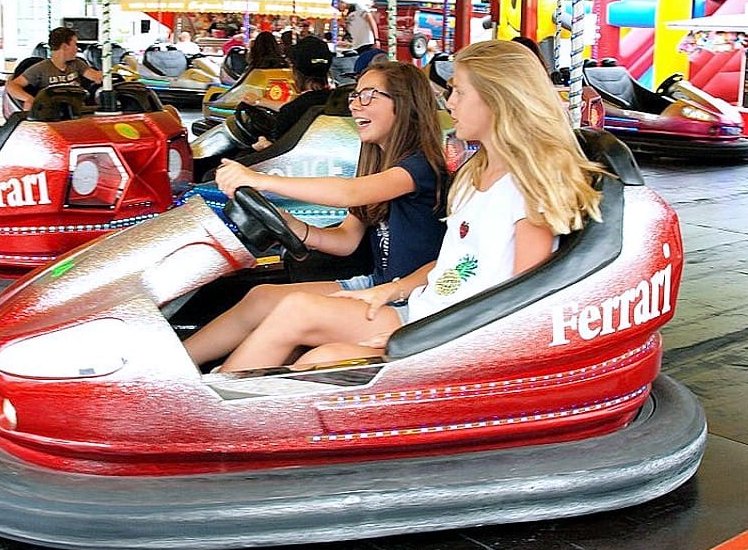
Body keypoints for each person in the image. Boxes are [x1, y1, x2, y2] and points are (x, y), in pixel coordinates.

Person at [196, 41, 605, 372]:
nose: (449, 102)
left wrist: (260, 179)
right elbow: (451, 264)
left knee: (307, 335)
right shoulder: (473, 176)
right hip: (423, 307)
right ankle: (194, 388)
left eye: (459, 91)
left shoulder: (525, 191)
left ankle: (206, 412)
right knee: (286, 312)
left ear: (497, 100)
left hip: (452, 333)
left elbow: (524, 302)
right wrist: (390, 290)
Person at [185, 60, 449, 372]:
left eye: (369, 96)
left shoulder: (421, 167)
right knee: (261, 297)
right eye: (355, 96)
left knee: (296, 310)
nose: (355, 105)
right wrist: (295, 227)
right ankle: (172, 367)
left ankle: (209, 390)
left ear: (405, 105)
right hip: (376, 284)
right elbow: (346, 241)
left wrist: (259, 180)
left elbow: (350, 193)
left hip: (410, 297)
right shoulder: (377, 164)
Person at [252, 35, 334, 148]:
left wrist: (263, 145)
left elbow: (279, 152)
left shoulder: (292, 111)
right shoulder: (338, 100)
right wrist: (259, 101)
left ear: (296, 72)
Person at [5, 25, 104, 111]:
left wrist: (107, 73)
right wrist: (29, 99)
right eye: (75, 44)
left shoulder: (77, 64)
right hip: (52, 113)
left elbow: (95, 76)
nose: (77, 48)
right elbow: (12, 86)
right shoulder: (40, 69)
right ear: (65, 47)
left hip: (76, 111)